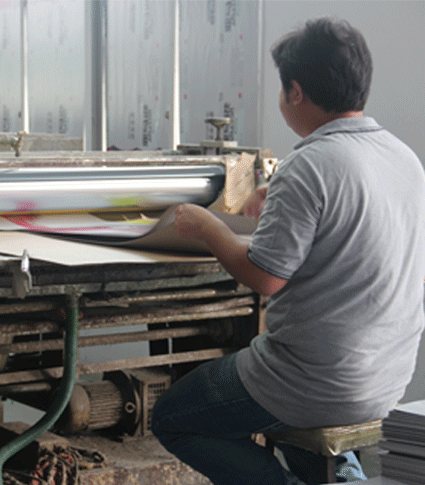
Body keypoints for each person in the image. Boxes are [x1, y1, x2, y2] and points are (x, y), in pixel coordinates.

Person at [151, 17, 425, 485]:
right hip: (385, 377)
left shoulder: (309, 164)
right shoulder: (402, 157)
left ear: (295, 92)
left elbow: (264, 278)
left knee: (173, 417)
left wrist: (208, 227)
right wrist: (279, 193)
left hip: (313, 382)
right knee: (290, 420)